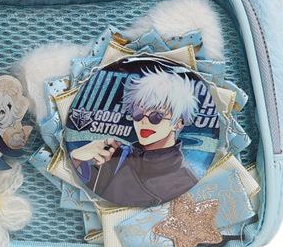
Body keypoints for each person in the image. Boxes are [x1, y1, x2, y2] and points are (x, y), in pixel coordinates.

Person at [70, 68, 200, 206]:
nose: (143, 121)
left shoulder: (187, 182)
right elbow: (77, 193)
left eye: (156, 116)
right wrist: (76, 157)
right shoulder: (113, 155)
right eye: (138, 114)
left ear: (178, 124)